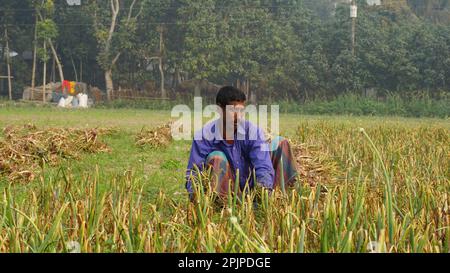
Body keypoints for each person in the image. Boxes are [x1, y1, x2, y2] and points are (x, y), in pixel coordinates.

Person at [185, 86, 298, 201]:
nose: (238, 117)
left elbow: (263, 165)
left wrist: (263, 193)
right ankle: (222, 205)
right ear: (219, 110)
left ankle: (281, 199)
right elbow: (194, 173)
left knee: (281, 143)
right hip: (226, 194)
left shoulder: (253, 131)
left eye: (241, 111)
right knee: (217, 157)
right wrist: (196, 198)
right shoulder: (203, 136)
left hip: (253, 188)